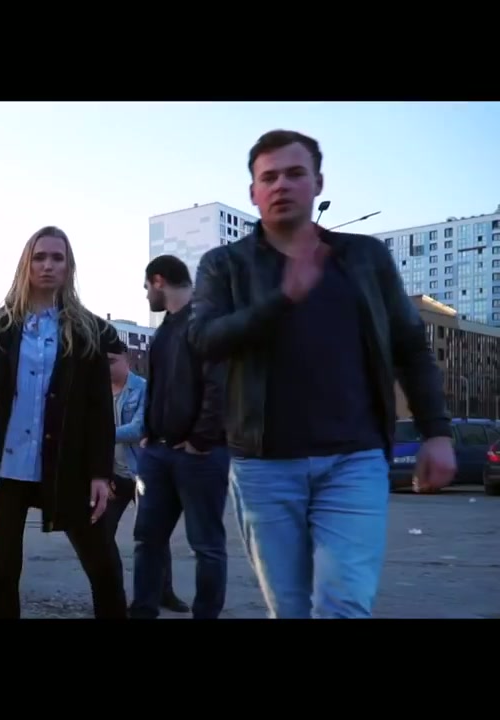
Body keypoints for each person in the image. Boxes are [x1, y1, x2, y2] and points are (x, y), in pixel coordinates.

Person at [188, 129, 455, 619]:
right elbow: (204, 339)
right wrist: (282, 299)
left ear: (318, 183)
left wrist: (436, 432)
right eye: (269, 177)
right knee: (290, 609)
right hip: (264, 465)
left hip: (354, 459)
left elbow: (410, 346)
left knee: (343, 604)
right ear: (253, 192)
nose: (281, 185)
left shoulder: (364, 257)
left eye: (295, 174)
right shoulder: (225, 265)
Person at [0, 226, 125, 619]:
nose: (48, 265)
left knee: (104, 566)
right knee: (4, 571)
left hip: (68, 466)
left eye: (57, 258)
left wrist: (100, 473)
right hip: (6, 469)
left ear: (69, 267)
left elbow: (100, 409)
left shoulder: (90, 330)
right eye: (40, 257)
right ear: (26, 265)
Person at [132, 254, 230, 620]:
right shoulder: (164, 329)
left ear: (159, 281)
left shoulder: (208, 319)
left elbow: (220, 386)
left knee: (206, 546)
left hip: (200, 456)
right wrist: (147, 432)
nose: (146, 296)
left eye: (147, 288)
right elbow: (156, 386)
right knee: (147, 540)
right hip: (158, 455)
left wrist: (201, 440)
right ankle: (143, 611)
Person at [103, 337, 189, 614]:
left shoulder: (143, 388)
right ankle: (113, 593)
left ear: (126, 359)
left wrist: (101, 434)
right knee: (102, 535)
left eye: (111, 362)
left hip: (144, 473)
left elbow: (139, 428)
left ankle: (164, 592)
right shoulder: (97, 391)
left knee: (154, 536)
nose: (106, 368)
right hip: (114, 474)